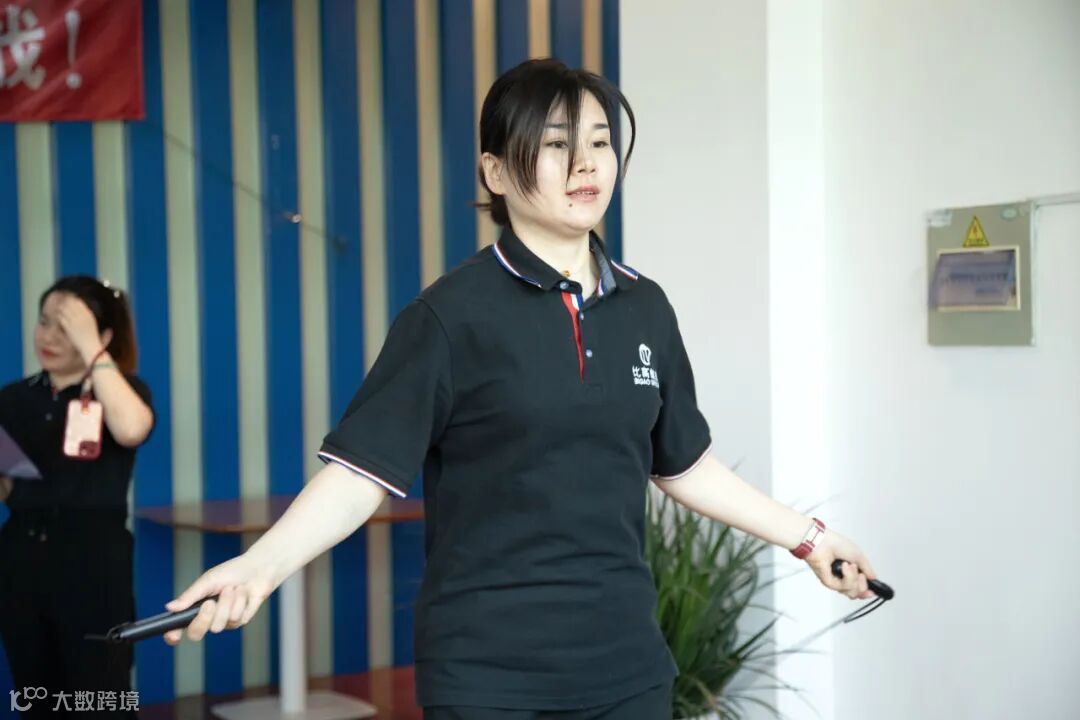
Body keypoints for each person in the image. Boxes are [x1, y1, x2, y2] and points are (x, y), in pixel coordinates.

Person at [163, 59, 879, 719]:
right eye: (557, 143)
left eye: (600, 142)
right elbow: (361, 475)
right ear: (496, 172)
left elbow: (683, 465)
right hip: (488, 678)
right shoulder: (449, 316)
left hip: (626, 667)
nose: (585, 163)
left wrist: (811, 540)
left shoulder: (645, 307)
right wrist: (257, 569)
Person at [0, 276, 155, 719]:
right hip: (21, 558)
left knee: (102, 696)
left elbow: (132, 429)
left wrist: (92, 350)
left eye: (66, 327)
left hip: (93, 564)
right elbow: (9, 486)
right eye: (44, 322)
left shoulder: (125, 391)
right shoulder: (13, 398)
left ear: (100, 335)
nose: (48, 337)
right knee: (36, 695)